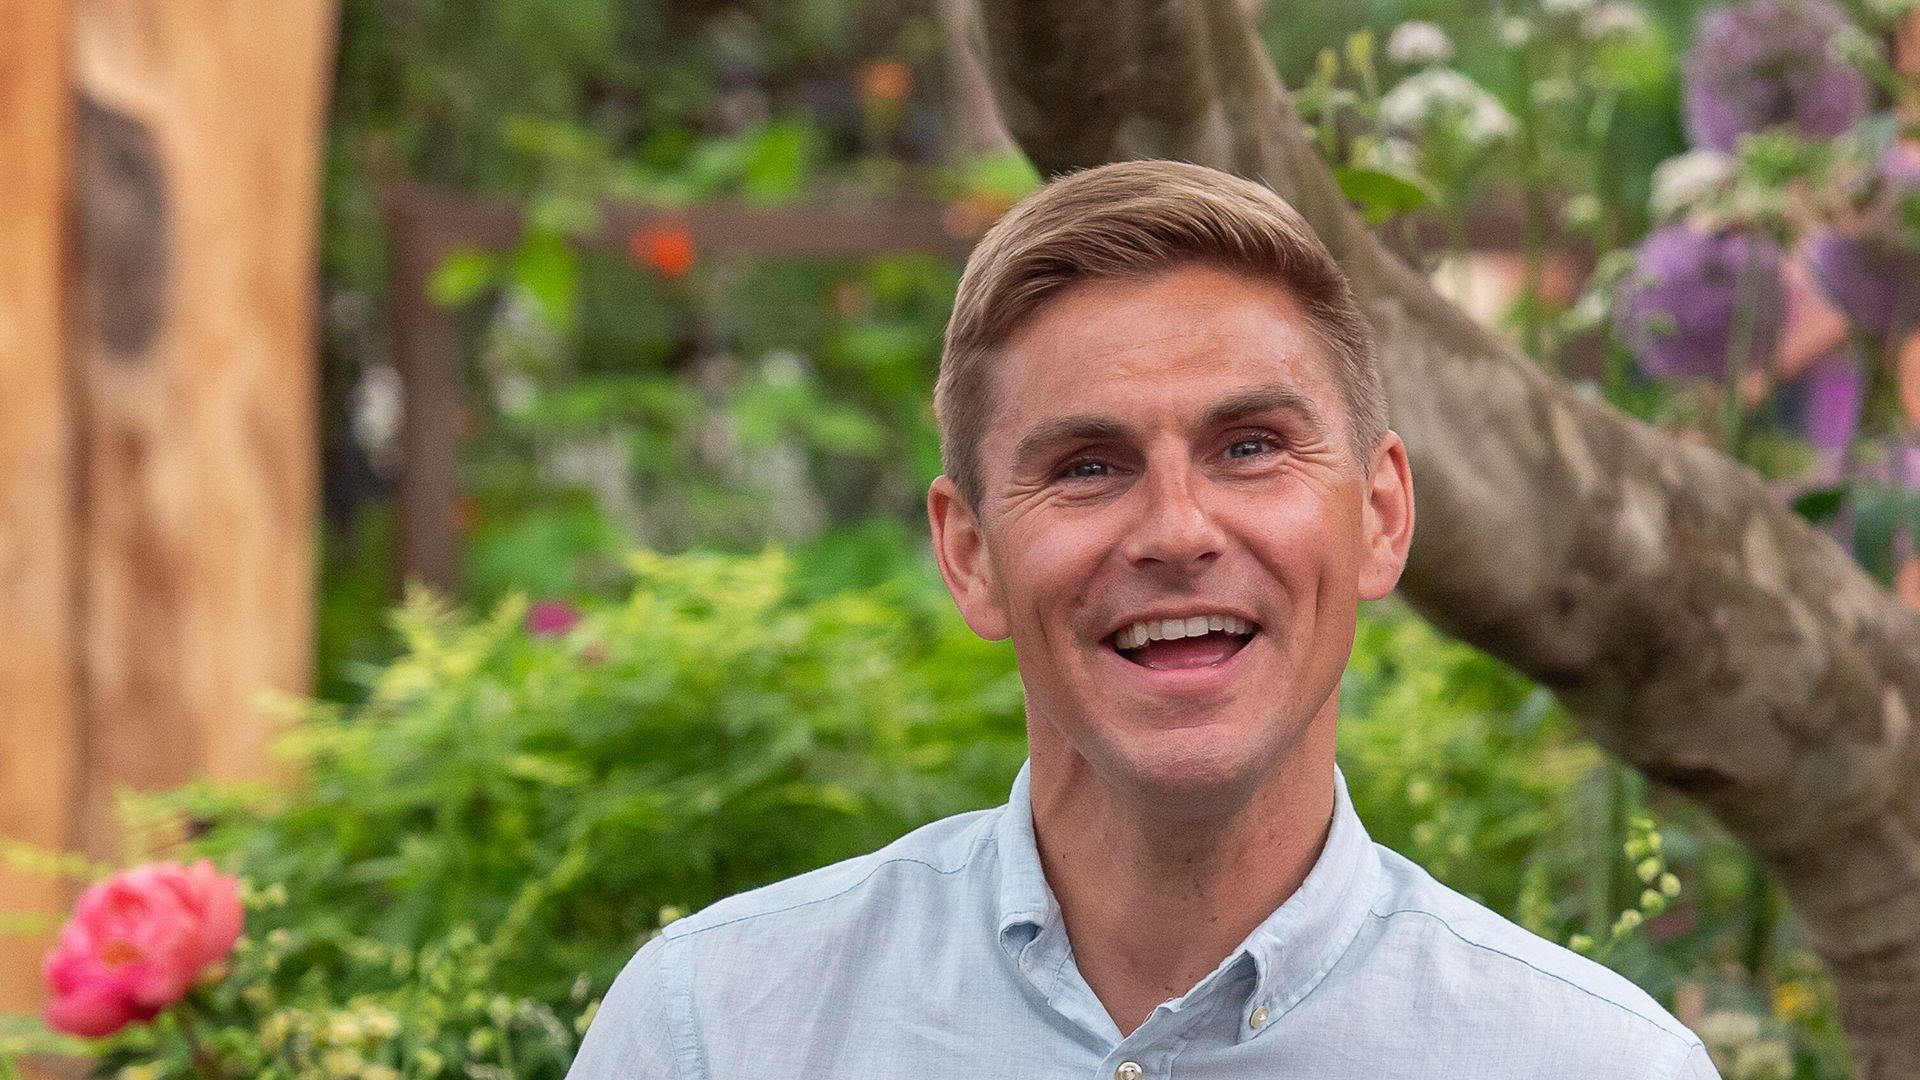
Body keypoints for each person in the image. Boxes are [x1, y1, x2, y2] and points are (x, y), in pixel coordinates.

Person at [566, 159, 1719, 1078]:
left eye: (1251, 447)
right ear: (970, 556)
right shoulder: (713, 1032)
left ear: (1379, 515)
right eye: (1086, 464)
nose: (1176, 529)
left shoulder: (1596, 1063)